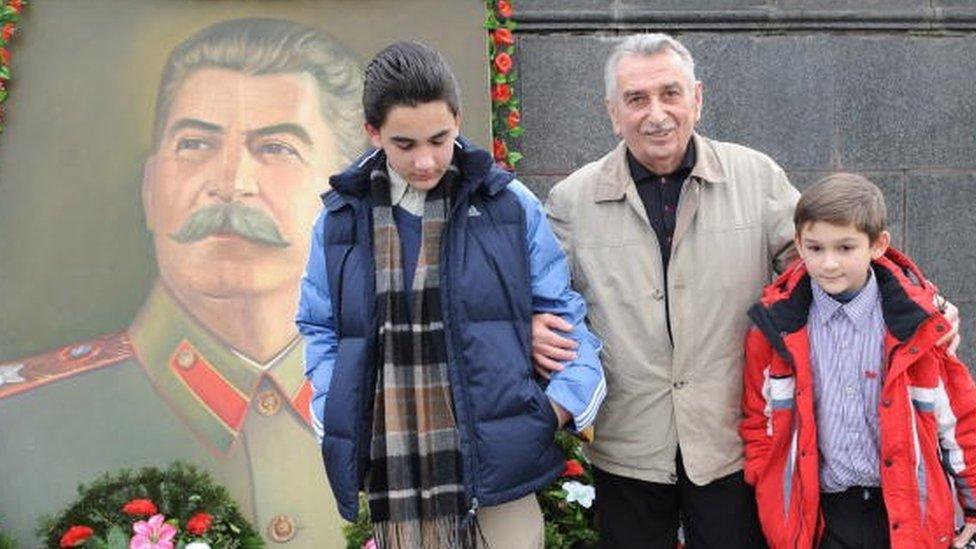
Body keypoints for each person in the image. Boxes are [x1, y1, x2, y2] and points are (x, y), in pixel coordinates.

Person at [531, 33, 963, 547]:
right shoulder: (571, 201)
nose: (656, 113)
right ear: (611, 111)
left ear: (698, 97)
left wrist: (920, 308)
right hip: (630, 444)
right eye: (636, 99)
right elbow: (544, 295)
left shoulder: (756, 178)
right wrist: (533, 326)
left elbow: (829, 255)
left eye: (670, 93)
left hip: (732, 439)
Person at [0, 18, 364, 547]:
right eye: (195, 144)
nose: (230, 183)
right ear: (151, 190)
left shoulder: (422, 405)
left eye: (276, 148)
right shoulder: (17, 421)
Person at [296, 41, 604, 549]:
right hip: (394, 473)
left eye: (440, 139)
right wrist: (337, 410)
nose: (425, 160)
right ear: (373, 133)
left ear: (458, 119)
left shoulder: (506, 204)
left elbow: (563, 311)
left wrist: (550, 414)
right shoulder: (338, 221)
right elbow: (320, 328)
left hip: (501, 468)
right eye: (405, 143)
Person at [740, 173, 976, 549]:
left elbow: (960, 420)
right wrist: (767, 485)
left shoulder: (919, 326)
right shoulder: (775, 330)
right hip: (821, 514)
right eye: (815, 248)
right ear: (798, 245)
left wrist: (973, 505)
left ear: (878, 245)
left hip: (903, 509)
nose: (829, 263)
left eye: (846, 248)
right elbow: (758, 420)